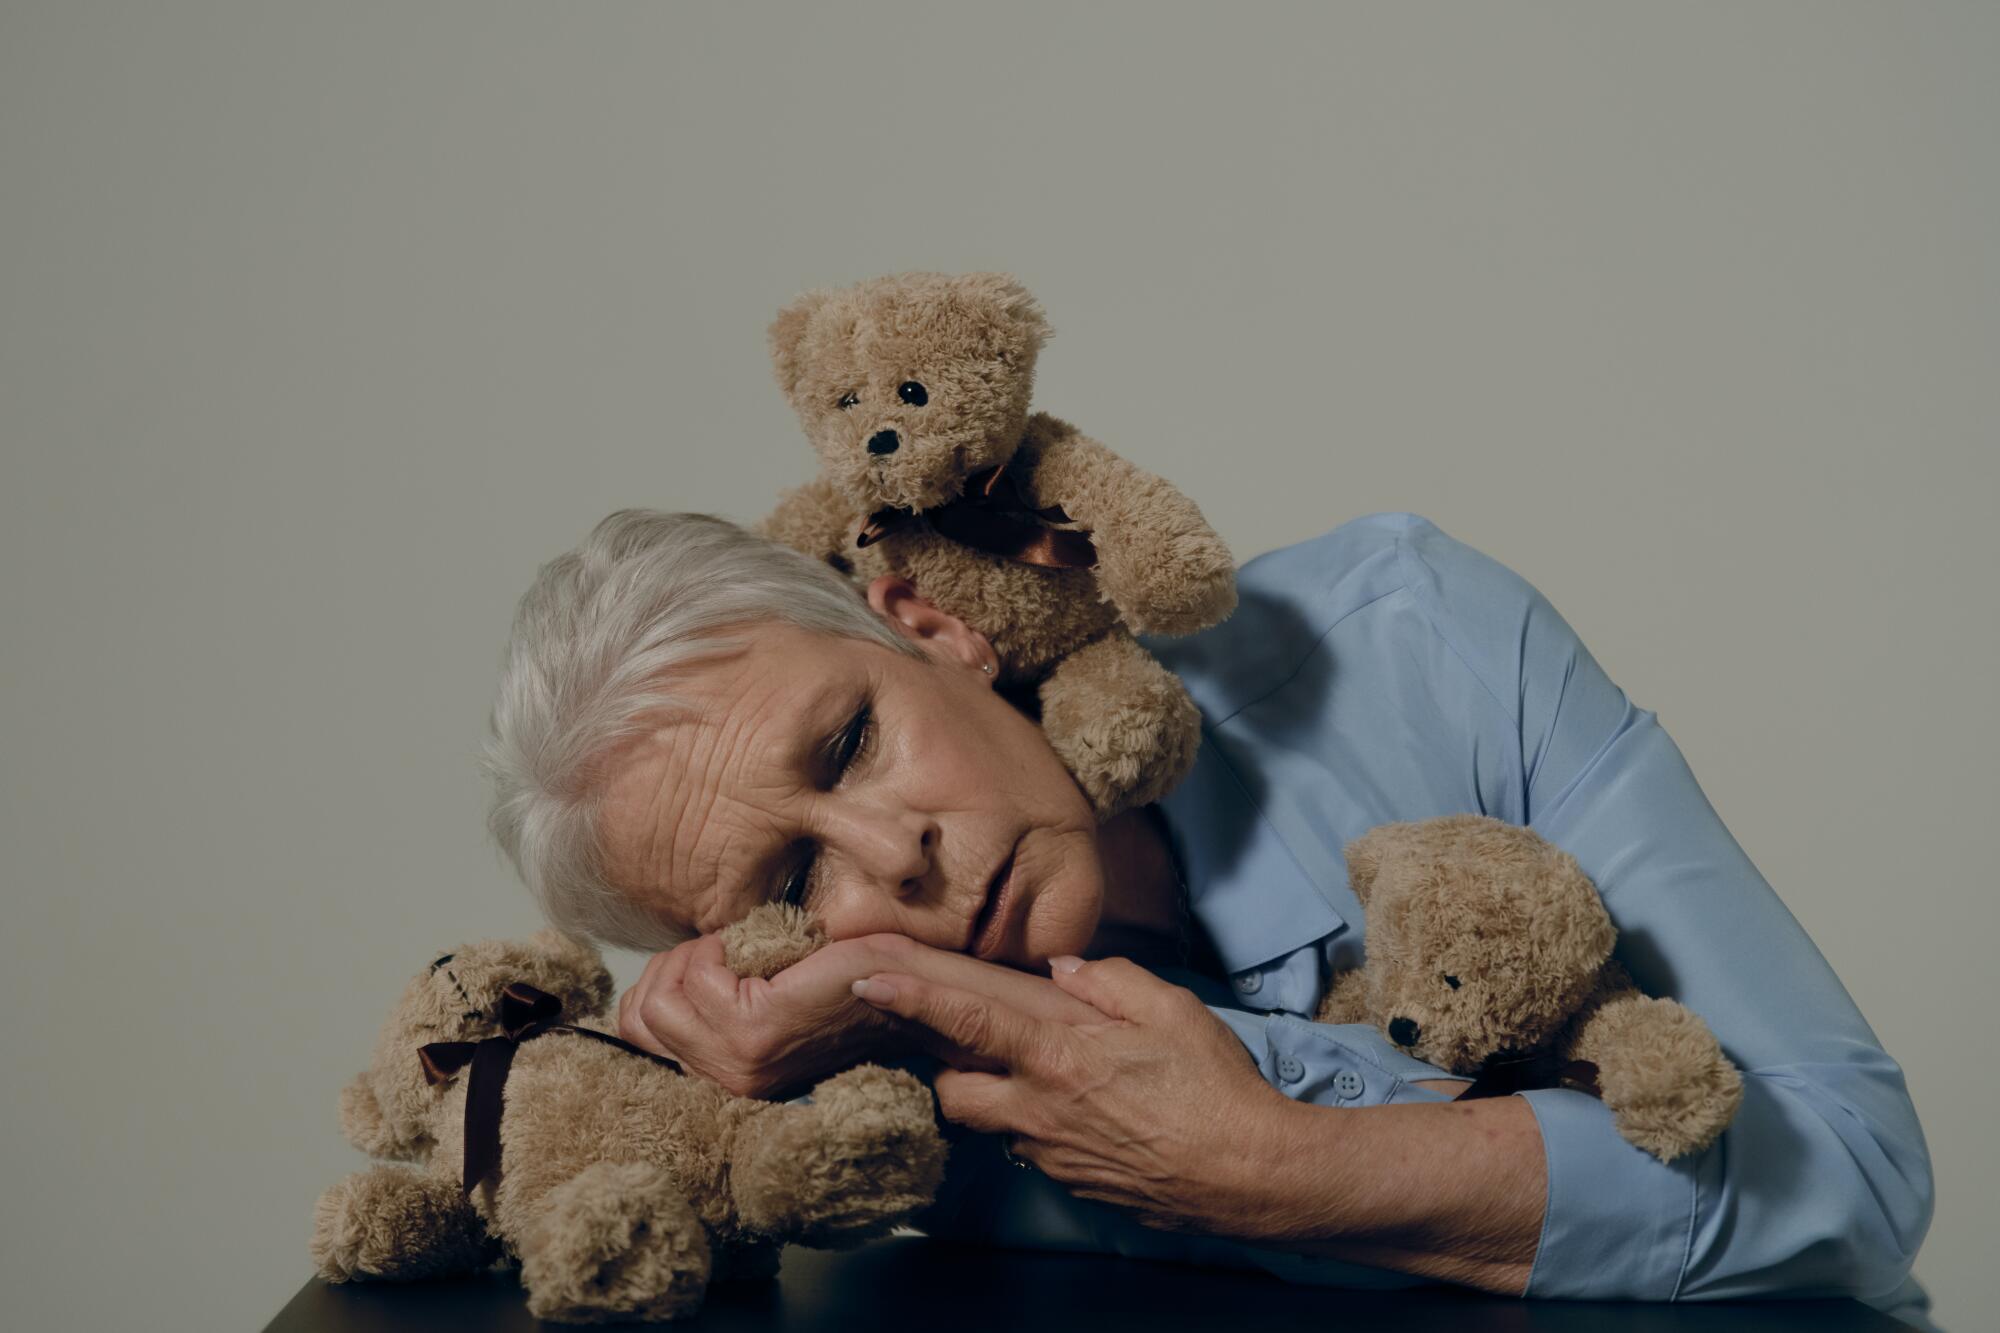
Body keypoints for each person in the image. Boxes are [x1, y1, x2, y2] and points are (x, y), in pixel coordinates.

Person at [483, 508, 1936, 1326]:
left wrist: (1280, 1162)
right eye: (792, 885)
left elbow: (1854, 1166)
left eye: (850, 743)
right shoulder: (855, 1081)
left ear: (931, 630)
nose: (894, 860)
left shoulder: (1412, 650)